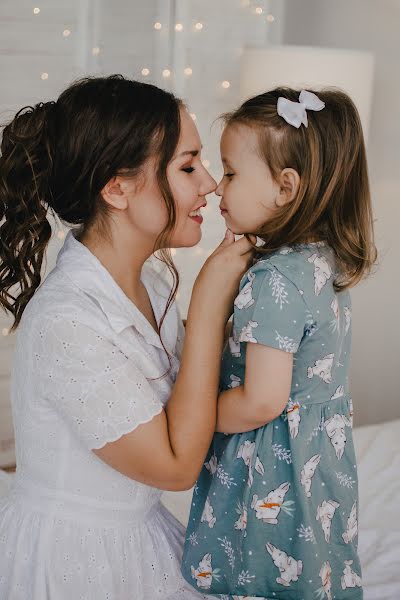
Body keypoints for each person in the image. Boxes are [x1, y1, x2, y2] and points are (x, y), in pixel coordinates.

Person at [0, 74, 254, 599]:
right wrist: (208, 304)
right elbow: (176, 466)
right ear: (116, 188)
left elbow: (195, 395)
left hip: (138, 535)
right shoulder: (66, 321)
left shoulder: (153, 282)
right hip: (76, 556)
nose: (209, 184)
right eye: (187, 166)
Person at [182, 88, 376, 600]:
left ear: (286, 187)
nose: (218, 187)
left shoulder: (274, 281)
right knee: (314, 568)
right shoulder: (321, 263)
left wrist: (191, 416)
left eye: (229, 172)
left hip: (272, 471)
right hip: (317, 467)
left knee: (264, 576)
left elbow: (262, 400)